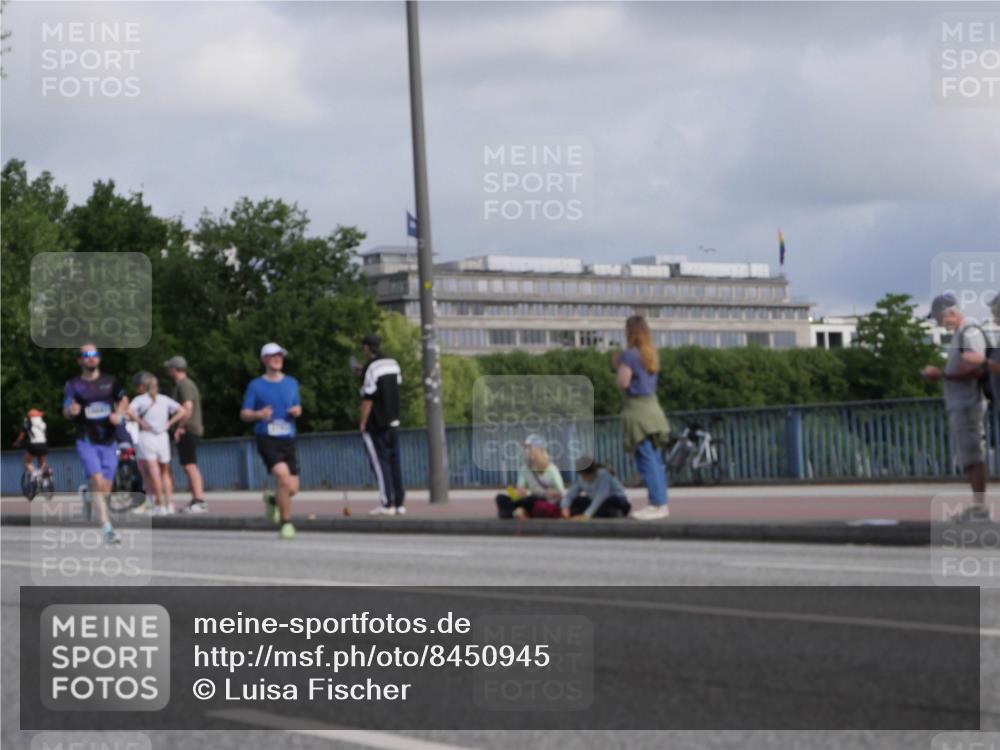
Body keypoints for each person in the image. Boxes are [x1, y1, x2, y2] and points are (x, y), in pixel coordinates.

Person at [923, 293, 989, 521]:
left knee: (973, 455)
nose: (940, 324)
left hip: (968, 403)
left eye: (940, 319)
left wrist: (941, 374)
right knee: (969, 456)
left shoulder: (968, 332)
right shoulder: (960, 335)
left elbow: (977, 366)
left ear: (949, 313)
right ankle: (977, 506)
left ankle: (980, 508)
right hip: (962, 404)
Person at [63, 343, 128, 545]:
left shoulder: (110, 381)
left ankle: (89, 496)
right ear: (80, 360)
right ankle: (107, 529)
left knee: (106, 486)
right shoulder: (73, 385)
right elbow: (65, 410)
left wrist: (120, 413)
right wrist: (70, 411)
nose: (91, 358)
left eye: (94, 354)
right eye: (86, 355)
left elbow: (124, 399)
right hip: (87, 440)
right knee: (98, 481)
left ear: (99, 358)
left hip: (108, 441)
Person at [241, 342, 301, 539]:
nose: (278, 359)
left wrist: (297, 411)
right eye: (273, 356)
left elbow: (297, 406)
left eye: (280, 356)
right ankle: (286, 524)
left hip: (288, 438)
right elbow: (244, 414)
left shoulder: (292, 382)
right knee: (283, 478)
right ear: (264, 359)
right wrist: (259, 414)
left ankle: (273, 500)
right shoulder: (256, 385)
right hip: (267, 438)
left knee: (292, 488)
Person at [614, 315, 670, 520]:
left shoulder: (629, 355)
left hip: (637, 411)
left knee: (646, 459)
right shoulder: (651, 355)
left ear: (630, 332)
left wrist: (618, 366)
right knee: (655, 459)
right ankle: (661, 502)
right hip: (653, 409)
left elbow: (623, 383)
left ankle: (656, 504)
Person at [358, 334, 406, 516]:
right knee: (395, 461)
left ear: (366, 348)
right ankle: (400, 502)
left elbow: (368, 398)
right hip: (394, 419)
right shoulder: (393, 364)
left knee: (380, 463)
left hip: (377, 423)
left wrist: (363, 422)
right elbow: (393, 384)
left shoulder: (371, 368)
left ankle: (386, 503)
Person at [128, 373, 187, 515]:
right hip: (163, 436)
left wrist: (140, 421)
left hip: (147, 436)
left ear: (144, 386)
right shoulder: (164, 399)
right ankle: (170, 504)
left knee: (152, 472)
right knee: (165, 472)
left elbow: (128, 412)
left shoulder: (140, 400)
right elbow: (182, 410)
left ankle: (159, 504)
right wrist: (169, 423)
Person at [164, 355, 208, 514]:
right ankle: (195, 499)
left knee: (190, 465)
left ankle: (200, 500)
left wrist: (180, 427)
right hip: (190, 428)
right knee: (188, 464)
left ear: (174, 369)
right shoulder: (185, 384)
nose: (169, 371)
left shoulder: (184, 385)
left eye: (169, 368)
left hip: (188, 428)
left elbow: (187, 407)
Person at [495, 434, 565, 519]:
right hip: (530, 498)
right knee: (500, 498)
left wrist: (547, 493)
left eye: (529, 447)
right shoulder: (525, 468)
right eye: (525, 448)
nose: (526, 450)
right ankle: (515, 513)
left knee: (531, 500)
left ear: (538, 449)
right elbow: (521, 490)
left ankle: (514, 513)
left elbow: (560, 492)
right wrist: (513, 492)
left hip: (544, 500)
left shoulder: (551, 469)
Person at [559, 455, 631, 519]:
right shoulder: (581, 478)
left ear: (592, 472)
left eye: (584, 475)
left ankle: (615, 513)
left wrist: (586, 515)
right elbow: (570, 494)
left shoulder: (604, 474)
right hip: (594, 501)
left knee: (605, 505)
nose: (583, 478)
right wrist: (565, 507)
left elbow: (600, 497)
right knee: (577, 501)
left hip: (614, 499)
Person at [14, 408, 50, 478]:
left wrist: (17, 442)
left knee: (27, 462)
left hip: (34, 445)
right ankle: (46, 480)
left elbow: (22, 436)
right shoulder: (43, 424)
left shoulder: (27, 423)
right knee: (42, 463)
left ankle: (34, 473)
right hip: (44, 445)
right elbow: (45, 435)